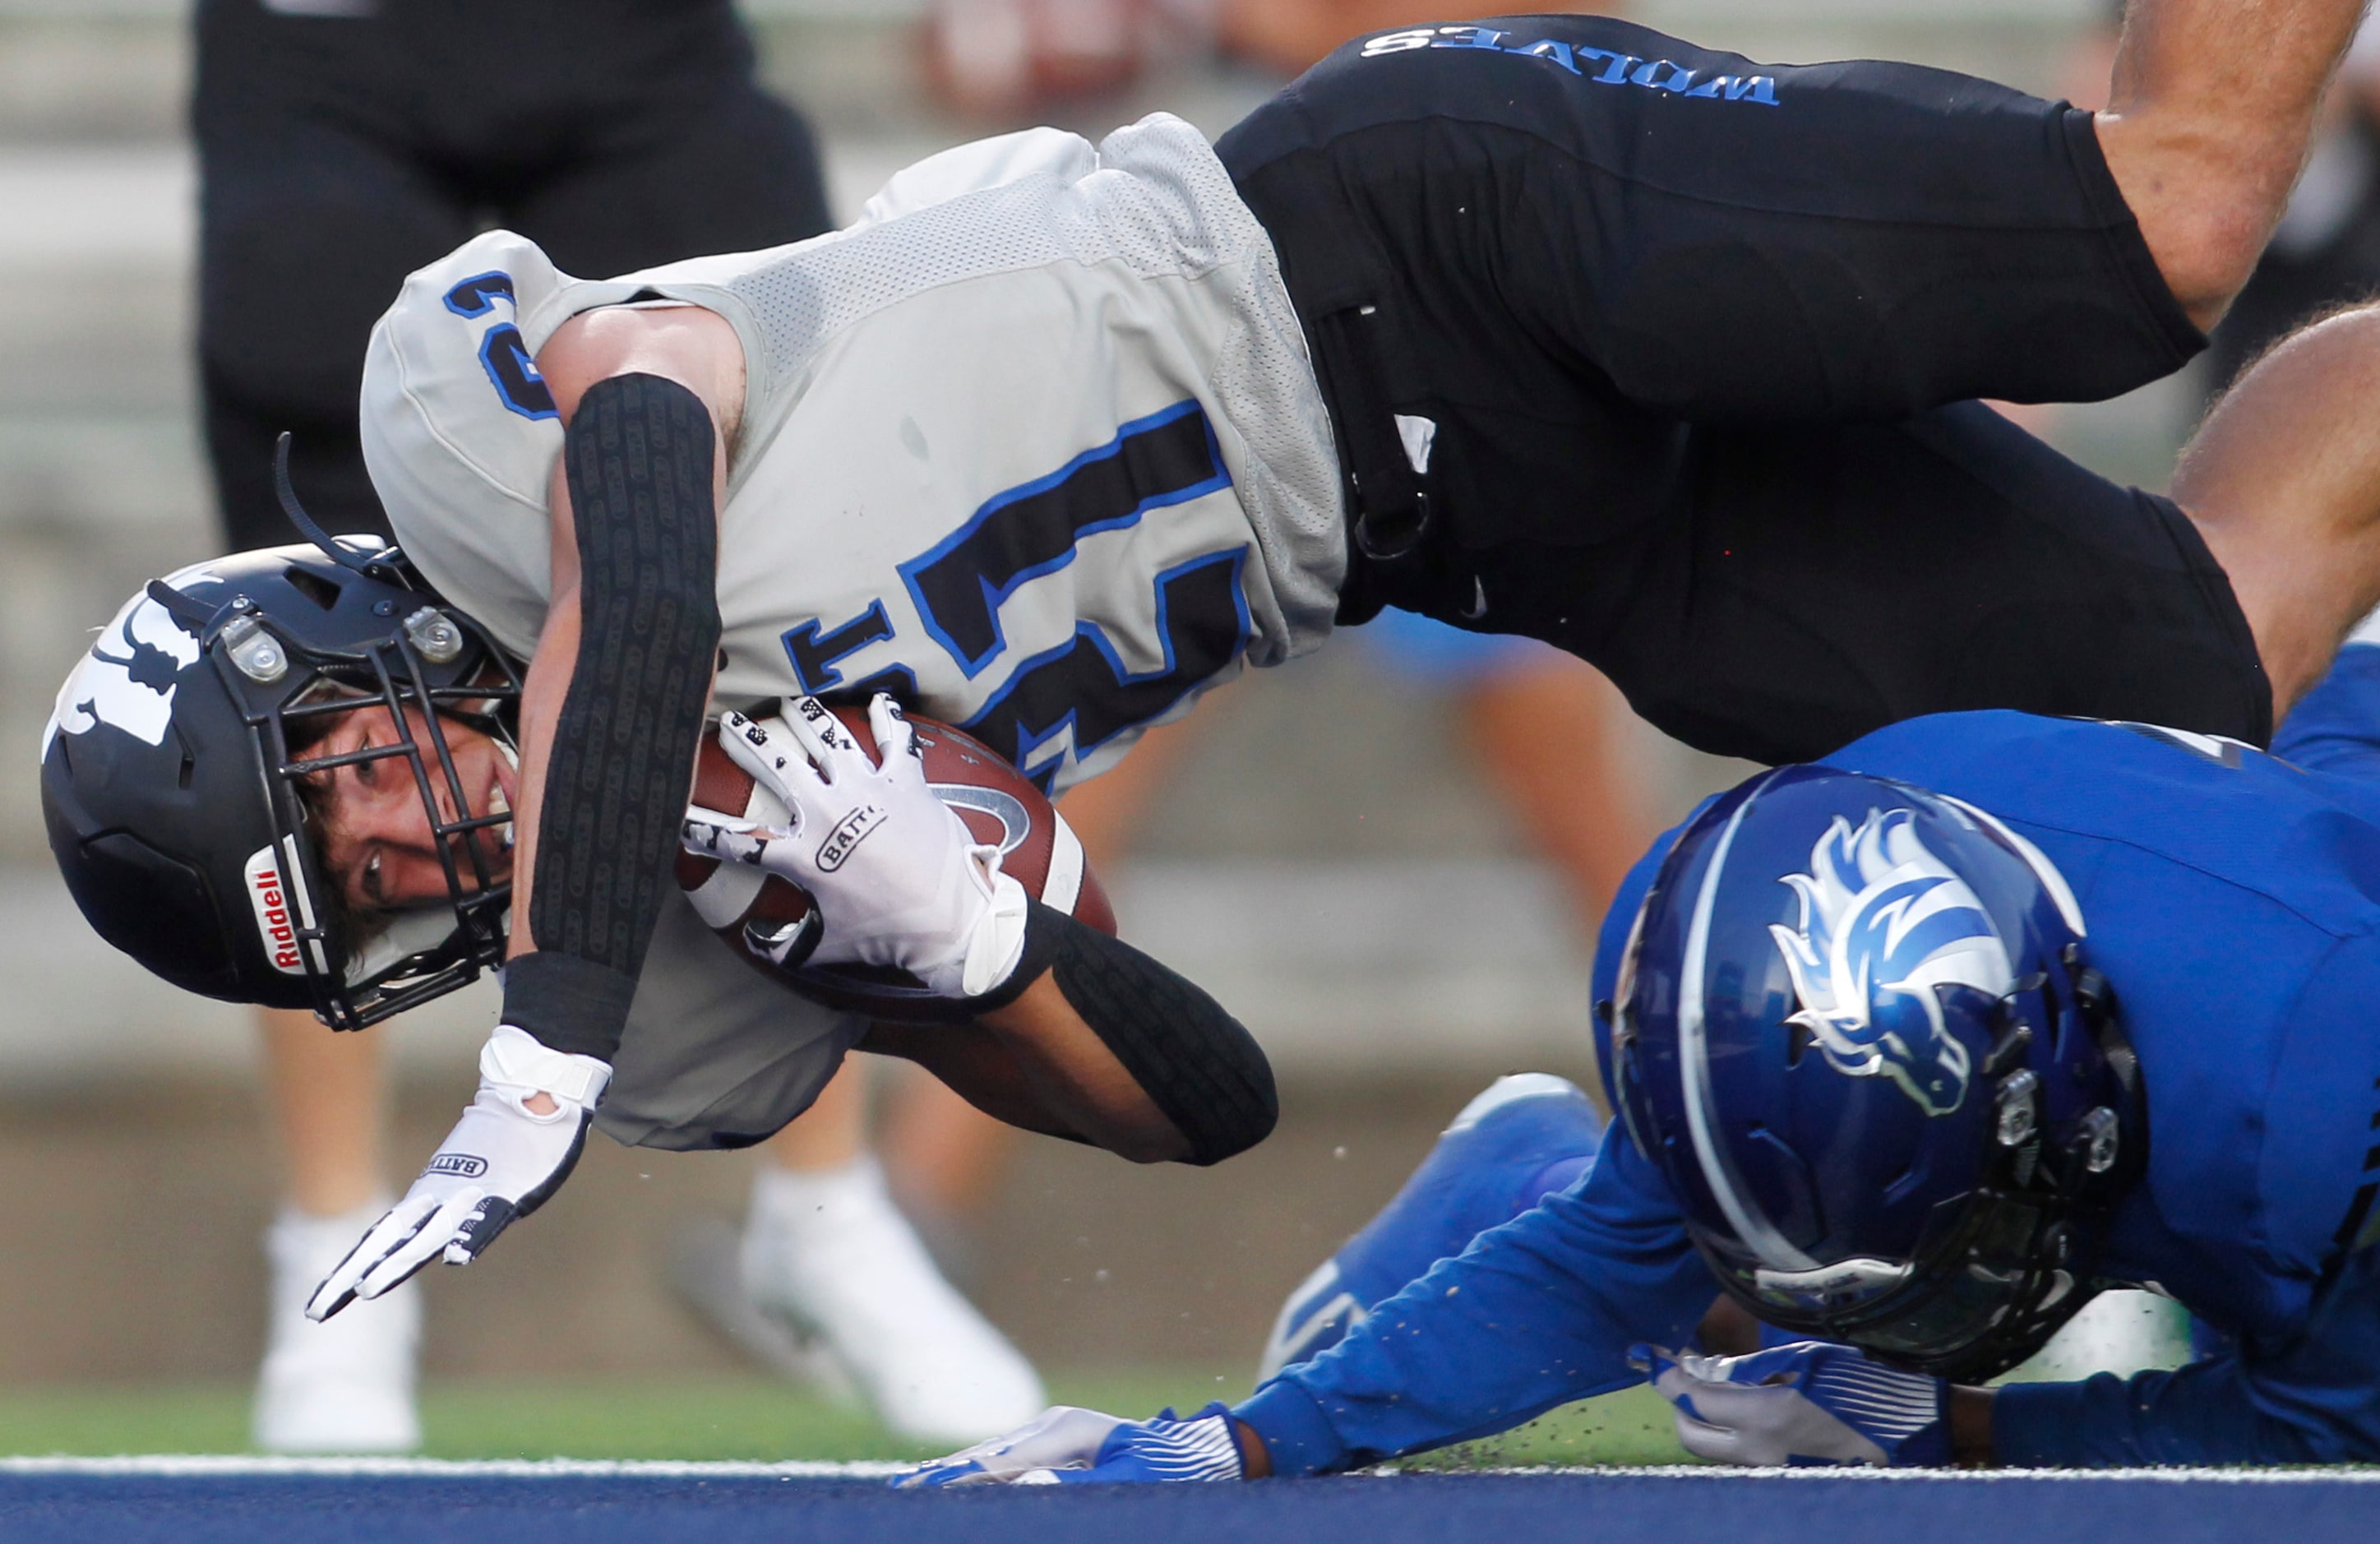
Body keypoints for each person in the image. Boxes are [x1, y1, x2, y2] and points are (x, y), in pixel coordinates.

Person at [43, 4, 2380, 1333]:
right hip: (1471, 527)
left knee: (2169, 224)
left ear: (333, 634)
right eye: (350, 890)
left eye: (338, 774)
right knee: (2202, 681)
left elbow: (649, 455)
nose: (390, 832)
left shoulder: (460, 438)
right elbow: (1193, 1102)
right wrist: (958, 936)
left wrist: (546, 1018)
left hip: (1428, 229)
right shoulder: (687, 994)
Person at [896, 599, 2380, 1482]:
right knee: (1794, 1283)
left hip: (2316, 912)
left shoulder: (2317, 1103)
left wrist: (1955, 1428)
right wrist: (1248, 1442)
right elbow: (1622, 1258)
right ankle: (1538, 1176)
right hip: (2229, 916)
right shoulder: (1746, 937)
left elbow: (2317, 1433)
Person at [189, 0, 1040, 1452]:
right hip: (318, 46)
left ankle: (824, 1214)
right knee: (310, 663)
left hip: (639, 42)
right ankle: (332, 1239)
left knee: (763, 560)